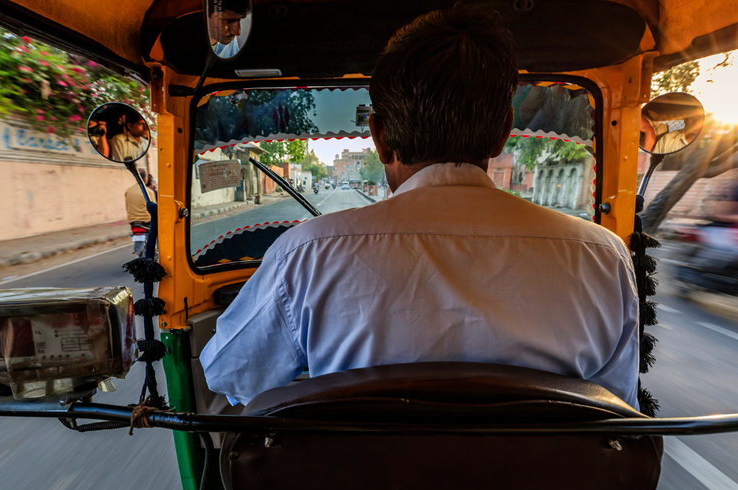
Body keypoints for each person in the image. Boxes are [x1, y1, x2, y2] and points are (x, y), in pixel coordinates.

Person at [200, 5, 640, 410]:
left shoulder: (305, 256)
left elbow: (229, 373)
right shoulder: (602, 258)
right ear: (503, 132)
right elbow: (615, 409)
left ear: (380, 136)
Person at [125, 169, 156, 255]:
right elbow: (154, 210)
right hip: (147, 222)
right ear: (145, 179)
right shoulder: (149, 192)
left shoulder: (128, 191)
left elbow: (128, 207)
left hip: (133, 222)